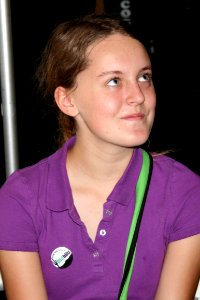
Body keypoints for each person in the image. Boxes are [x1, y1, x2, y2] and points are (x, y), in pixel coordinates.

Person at [0, 13, 200, 300]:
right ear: (67, 100)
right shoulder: (21, 197)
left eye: (144, 77)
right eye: (114, 81)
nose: (138, 96)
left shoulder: (182, 191)